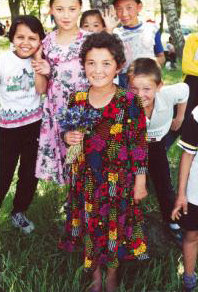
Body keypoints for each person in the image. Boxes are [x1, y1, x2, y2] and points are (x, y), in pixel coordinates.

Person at [60, 32, 148, 292]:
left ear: (118, 65)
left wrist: (140, 181)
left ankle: (111, 277)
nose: (98, 70)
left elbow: (139, 145)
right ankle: (95, 276)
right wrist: (68, 136)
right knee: (89, 228)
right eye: (91, 63)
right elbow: (68, 136)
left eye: (106, 63)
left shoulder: (129, 101)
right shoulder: (76, 99)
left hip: (117, 183)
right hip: (85, 180)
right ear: (83, 64)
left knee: (113, 230)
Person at [127, 58, 189, 238]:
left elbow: (185, 90)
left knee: (163, 183)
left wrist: (180, 117)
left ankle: (171, 220)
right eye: (134, 89)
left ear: (159, 86)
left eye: (147, 89)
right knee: (132, 183)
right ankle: (132, 221)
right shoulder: (125, 104)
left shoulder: (169, 93)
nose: (140, 94)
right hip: (132, 147)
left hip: (157, 144)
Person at [0, 15, 48, 233]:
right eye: (20, 37)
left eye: (32, 38)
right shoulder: (3, 61)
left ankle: (19, 211)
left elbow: (40, 90)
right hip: (6, 129)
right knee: (3, 172)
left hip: (33, 126)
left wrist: (38, 62)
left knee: (30, 172)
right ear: (12, 38)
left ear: (40, 41)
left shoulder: (41, 62)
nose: (26, 42)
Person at [35, 0, 89, 184]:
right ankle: (71, 198)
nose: (66, 15)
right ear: (51, 10)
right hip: (57, 106)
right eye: (59, 9)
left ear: (80, 9)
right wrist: (44, 68)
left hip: (84, 105)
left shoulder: (89, 39)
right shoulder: (46, 42)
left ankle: (85, 197)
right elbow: (43, 82)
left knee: (85, 153)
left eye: (72, 9)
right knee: (65, 151)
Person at [172, 106, 198, 292]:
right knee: (192, 235)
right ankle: (189, 277)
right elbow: (188, 154)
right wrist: (181, 193)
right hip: (196, 191)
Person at [112, 0, 165, 88]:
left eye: (129, 8)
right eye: (119, 9)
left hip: (148, 78)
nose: (124, 14)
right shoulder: (115, 33)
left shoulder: (151, 29)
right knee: (127, 101)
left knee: (146, 100)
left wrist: (151, 62)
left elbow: (162, 57)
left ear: (139, 7)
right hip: (125, 82)